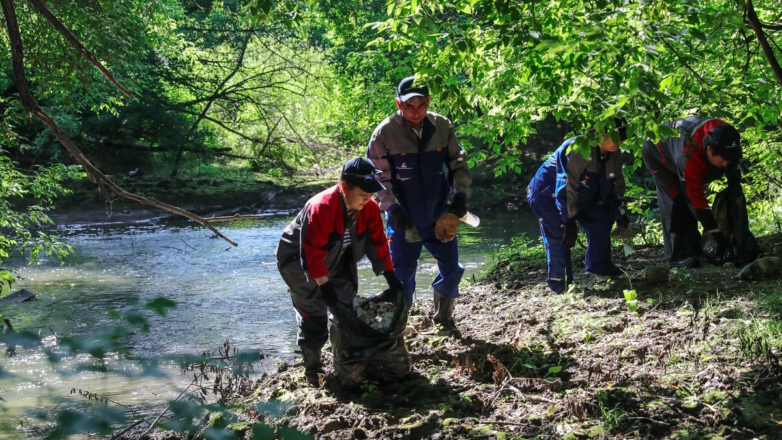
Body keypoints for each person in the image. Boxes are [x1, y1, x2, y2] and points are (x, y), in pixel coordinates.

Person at [275, 157, 404, 386]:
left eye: (372, 194)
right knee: (314, 314)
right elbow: (312, 255)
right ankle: (312, 370)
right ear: (345, 187)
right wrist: (324, 288)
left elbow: (378, 243)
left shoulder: (370, 209)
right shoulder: (321, 207)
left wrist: (391, 277)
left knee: (345, 307)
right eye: (363, 194)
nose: (368, 199)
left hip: (339, 258)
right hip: (297, 261)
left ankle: (342, 361)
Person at [366, 75, 472, 337]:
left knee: (452, 269)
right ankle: (400, 323)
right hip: (404, 217)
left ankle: (443, 317)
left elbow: (458, 163)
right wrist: (392, 208)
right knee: (402, 275)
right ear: (398, 104)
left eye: (421, 105)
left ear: (428, 102)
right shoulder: (385, 133)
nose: (415, 112)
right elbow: (378, 178)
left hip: (440, 214)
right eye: (409, 106)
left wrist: (460, 197)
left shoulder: (442, 126)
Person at [526, 119, 629, 294]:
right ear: (601, 134)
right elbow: (565, 188)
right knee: (559, 234)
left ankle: (600, 265)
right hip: (548, 194)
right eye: (616, 137)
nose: (620, 142)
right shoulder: (579, 149)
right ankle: (561, 283)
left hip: (584, 194)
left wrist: (620, 212)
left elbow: (614, 187)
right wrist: (568, 222)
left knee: (602, 218)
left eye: (623, 138)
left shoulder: (615, 155)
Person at [641, 116, 743, 268]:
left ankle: (695, 249)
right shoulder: (688, 157)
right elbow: (697, 202)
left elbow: (733, 162)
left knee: (689, 200)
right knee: (679, 200)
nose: (727, 163)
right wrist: (718, 237)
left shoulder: (726, 134)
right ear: (709, 150)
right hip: (657, 154)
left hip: (683, 151)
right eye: (724, 160)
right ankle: (676, 256)